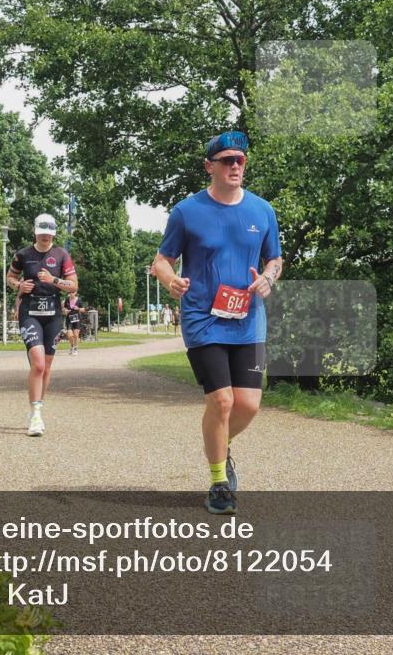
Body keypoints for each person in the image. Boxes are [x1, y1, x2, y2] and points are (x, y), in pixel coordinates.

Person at [152, 130, 282, 515]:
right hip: (202, 318)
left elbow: (275, 259)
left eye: (240, 160)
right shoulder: (187, 211)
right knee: (221, 400)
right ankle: (218, 481)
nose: (236, 166)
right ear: (210, 166)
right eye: (227, 160)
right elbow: (161, 260)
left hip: (247, 319)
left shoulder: (263, 210)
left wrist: (268, 278)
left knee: (249, 404)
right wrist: (169, 280)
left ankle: (221, 446)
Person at [6, 213, 78, 436]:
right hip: (30, 312)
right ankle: (35, 415)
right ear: (35, 233)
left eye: (49, 234)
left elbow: (73, 286)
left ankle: (37, 408)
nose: (46, 238)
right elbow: (10, 277)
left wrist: (53, 280)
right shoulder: (23, 254)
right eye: (42, 234)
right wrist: (19, 285)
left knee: (46, 367)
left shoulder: (61, 255)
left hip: (53, 314)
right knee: (37, 364)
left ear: (54, 234)